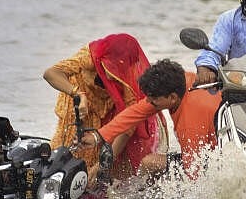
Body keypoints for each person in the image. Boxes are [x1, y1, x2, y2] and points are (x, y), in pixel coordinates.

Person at [43, 33, 167, 190]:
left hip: (107, 112)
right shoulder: (89, 57)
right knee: (67, 148)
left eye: (121, 67)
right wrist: (78, 94)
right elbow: (51, 73)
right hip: (77, 105)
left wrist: (103, 165)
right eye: (113, 65)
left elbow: (128, 125)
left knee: (98, 159)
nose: (117, 71)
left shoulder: (126, 76)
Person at [80, 59, 222, 180]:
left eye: (153, 99)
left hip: (214, 161)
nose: (148, 102)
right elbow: (134, 113)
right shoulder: (184, 81)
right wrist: (98, 135)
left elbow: (194, 171)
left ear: (172, 98)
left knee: (149, 164)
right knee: (150, 163)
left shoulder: (189, 124)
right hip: (212, 145)